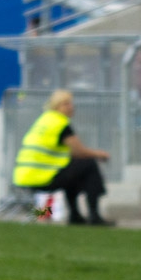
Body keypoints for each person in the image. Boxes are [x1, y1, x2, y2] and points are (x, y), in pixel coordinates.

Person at [12, 89, 113, 226]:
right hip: (43, 177)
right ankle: (94, 215)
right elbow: (79, 152)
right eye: (66, 104)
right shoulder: (60, 123)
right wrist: (100, 154)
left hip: (25, 176)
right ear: (56, 106)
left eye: (70, 103)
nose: (71, 107)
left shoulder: (44, 120)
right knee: (89, 164)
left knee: (73, 171)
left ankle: (75, 215)